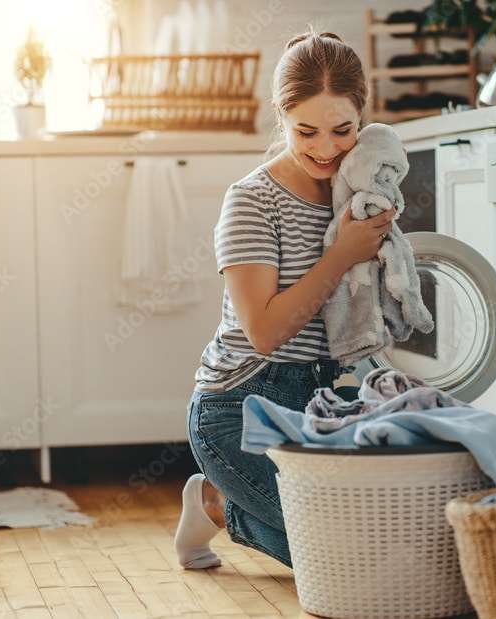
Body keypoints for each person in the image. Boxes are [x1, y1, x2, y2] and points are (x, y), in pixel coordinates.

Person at [174, 30, 396, 569]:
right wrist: (341, 254)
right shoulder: (252, 202)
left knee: (393, 541)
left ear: (363, 119)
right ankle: (217, 503)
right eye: (306, 131)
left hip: (323, 402)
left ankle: (234, 505)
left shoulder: (361, 192)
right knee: (345, 563)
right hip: (239, 409)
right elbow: (266, 333)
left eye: (342, 131)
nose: (325, 148)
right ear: (282, 117)